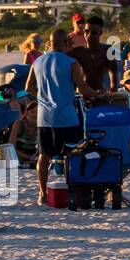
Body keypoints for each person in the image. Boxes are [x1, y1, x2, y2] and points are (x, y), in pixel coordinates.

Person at [24, 29, 102, 204]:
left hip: (45, 117)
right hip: (67, 117)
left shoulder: (37, 62)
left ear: (51, 43)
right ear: (66, 43)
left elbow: (28, 87)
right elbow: (84, 90)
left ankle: (42, 193)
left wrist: (43, 96)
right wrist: (99, 94)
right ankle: (73, 191)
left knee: (44, 156)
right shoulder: (72, 63)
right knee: (72, 155)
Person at [68, 15, 117, 94]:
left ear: (100, 33)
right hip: (82, 95)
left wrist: (113, 91)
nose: (89, 35)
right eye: (86, 31)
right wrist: (66, 46)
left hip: (100, 94)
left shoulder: (108, 50)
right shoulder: (78, 51)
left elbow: (113, 72)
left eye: (93, 32)